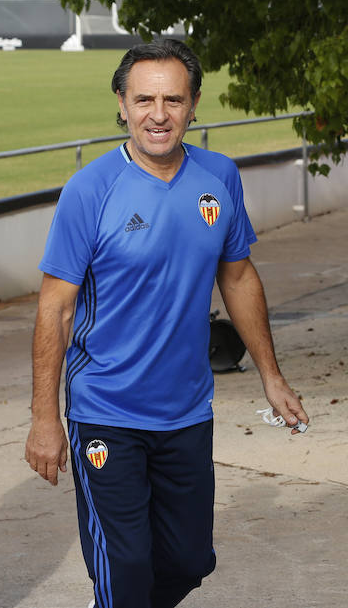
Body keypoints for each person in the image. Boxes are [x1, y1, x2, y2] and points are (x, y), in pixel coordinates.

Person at [24, 39, 310, 608]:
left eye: (173, 100)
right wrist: (44, 419)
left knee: (188, 560)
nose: (159, 114)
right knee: (126, 565)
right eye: (144, 100)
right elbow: (54, 309)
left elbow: (239, 277)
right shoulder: (90, 190)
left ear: (195, 105)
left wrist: (270, 375)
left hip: (185, 411)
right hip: (105, 410)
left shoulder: (220, 177)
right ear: (122, 104)